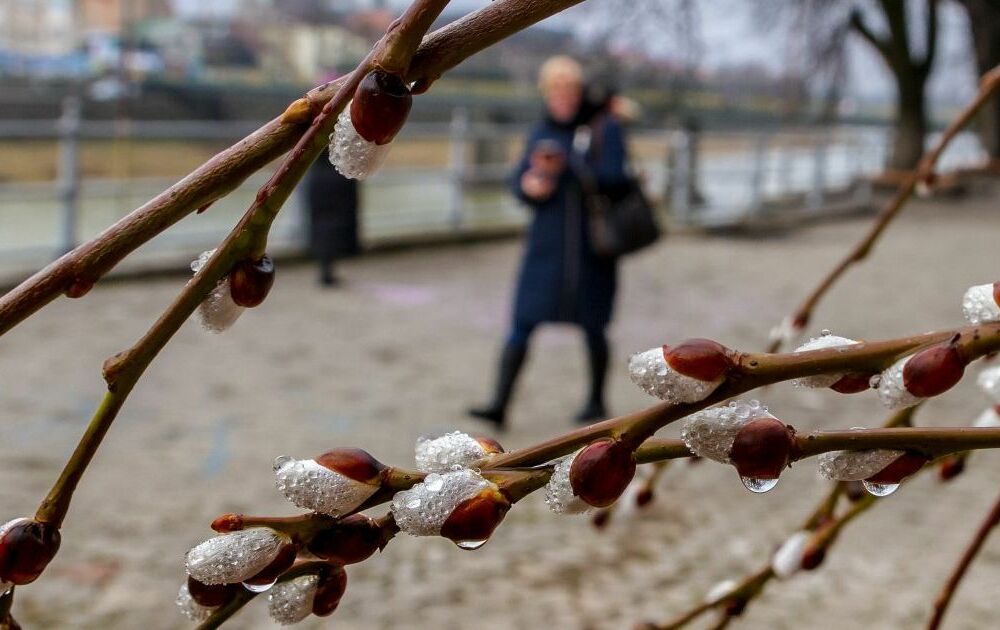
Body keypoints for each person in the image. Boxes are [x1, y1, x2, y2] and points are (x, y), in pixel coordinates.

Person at [469, 56, 630, 429]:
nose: (562, 96)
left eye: (568, 88)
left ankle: (595, 400)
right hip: (545, 247)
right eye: (554, 89)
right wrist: (529, 186)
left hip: (593, 249)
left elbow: (616, 180)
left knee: (595, 326)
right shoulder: (541, 130)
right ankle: (499, 403)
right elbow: (517, 181)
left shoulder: (604, 127)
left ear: (579, 91)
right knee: (522, 323)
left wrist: (569, 164)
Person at [305, 146, 360, 287]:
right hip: (337, 178)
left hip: (319, 180)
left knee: (322, 225)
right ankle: (327, 269)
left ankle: (326, 268)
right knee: (332, 225)